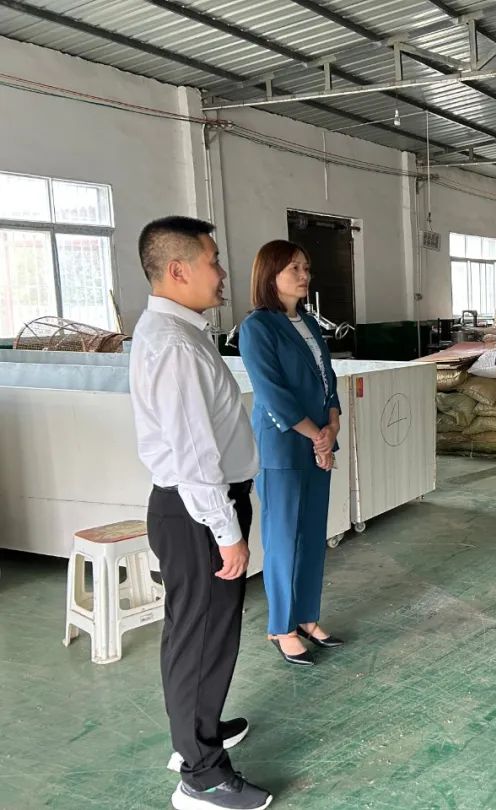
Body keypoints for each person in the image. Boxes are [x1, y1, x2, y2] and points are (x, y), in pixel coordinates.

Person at [129, 216, 272, 810]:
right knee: (202, 635)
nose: (222, 272)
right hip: (197, 511)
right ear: (177, 269)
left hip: (195, 508)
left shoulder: (178, 333)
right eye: (212, 261)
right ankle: (201, 774)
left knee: (199, 630)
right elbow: (193, 455)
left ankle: (197, 731)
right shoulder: (174, 345)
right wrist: (227, 530)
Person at [238, 240, 343, 667]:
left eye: (306, 267)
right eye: (294, 269)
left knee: (312, 532)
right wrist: (317, 435)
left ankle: (306, 616)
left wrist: (332, 425)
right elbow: (272, 393)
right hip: (283, 445)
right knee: (284, 536)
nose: (304, 276)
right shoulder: (257, 327)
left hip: (319, 439)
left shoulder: (308, 322)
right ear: (270, 275)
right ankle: (280, 627)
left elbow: (327, 379)